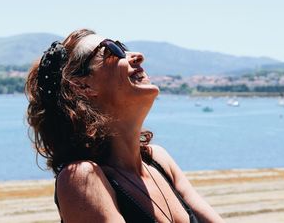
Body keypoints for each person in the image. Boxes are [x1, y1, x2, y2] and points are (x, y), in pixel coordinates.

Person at [25, 29, 224, 223]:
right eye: (113, 50)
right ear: (82, 85)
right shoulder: (81, 178)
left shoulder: (159, 161)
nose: (138, 56)